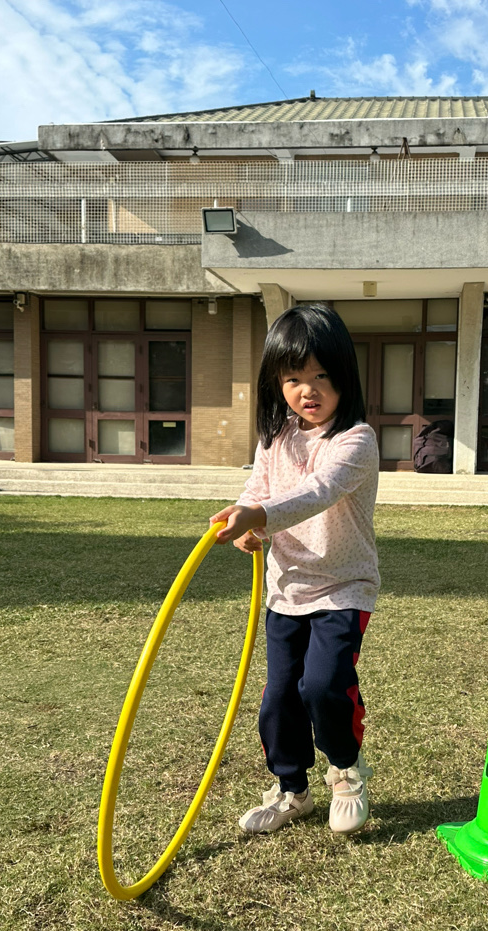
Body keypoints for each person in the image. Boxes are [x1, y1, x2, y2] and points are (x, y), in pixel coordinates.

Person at [209, 304, 380, 835]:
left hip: (343, 586)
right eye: (293, 379)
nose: (308, 390)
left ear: (343, 375)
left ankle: (346, 770)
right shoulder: (274, 437)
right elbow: (257, 490)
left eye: (321, 375)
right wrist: (248, 522)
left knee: (323, 685)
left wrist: (260, 514)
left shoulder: (356, 439)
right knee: (280, 697)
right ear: (276, 384)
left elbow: (317, 491)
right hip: (285, 590)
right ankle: (291, 790)